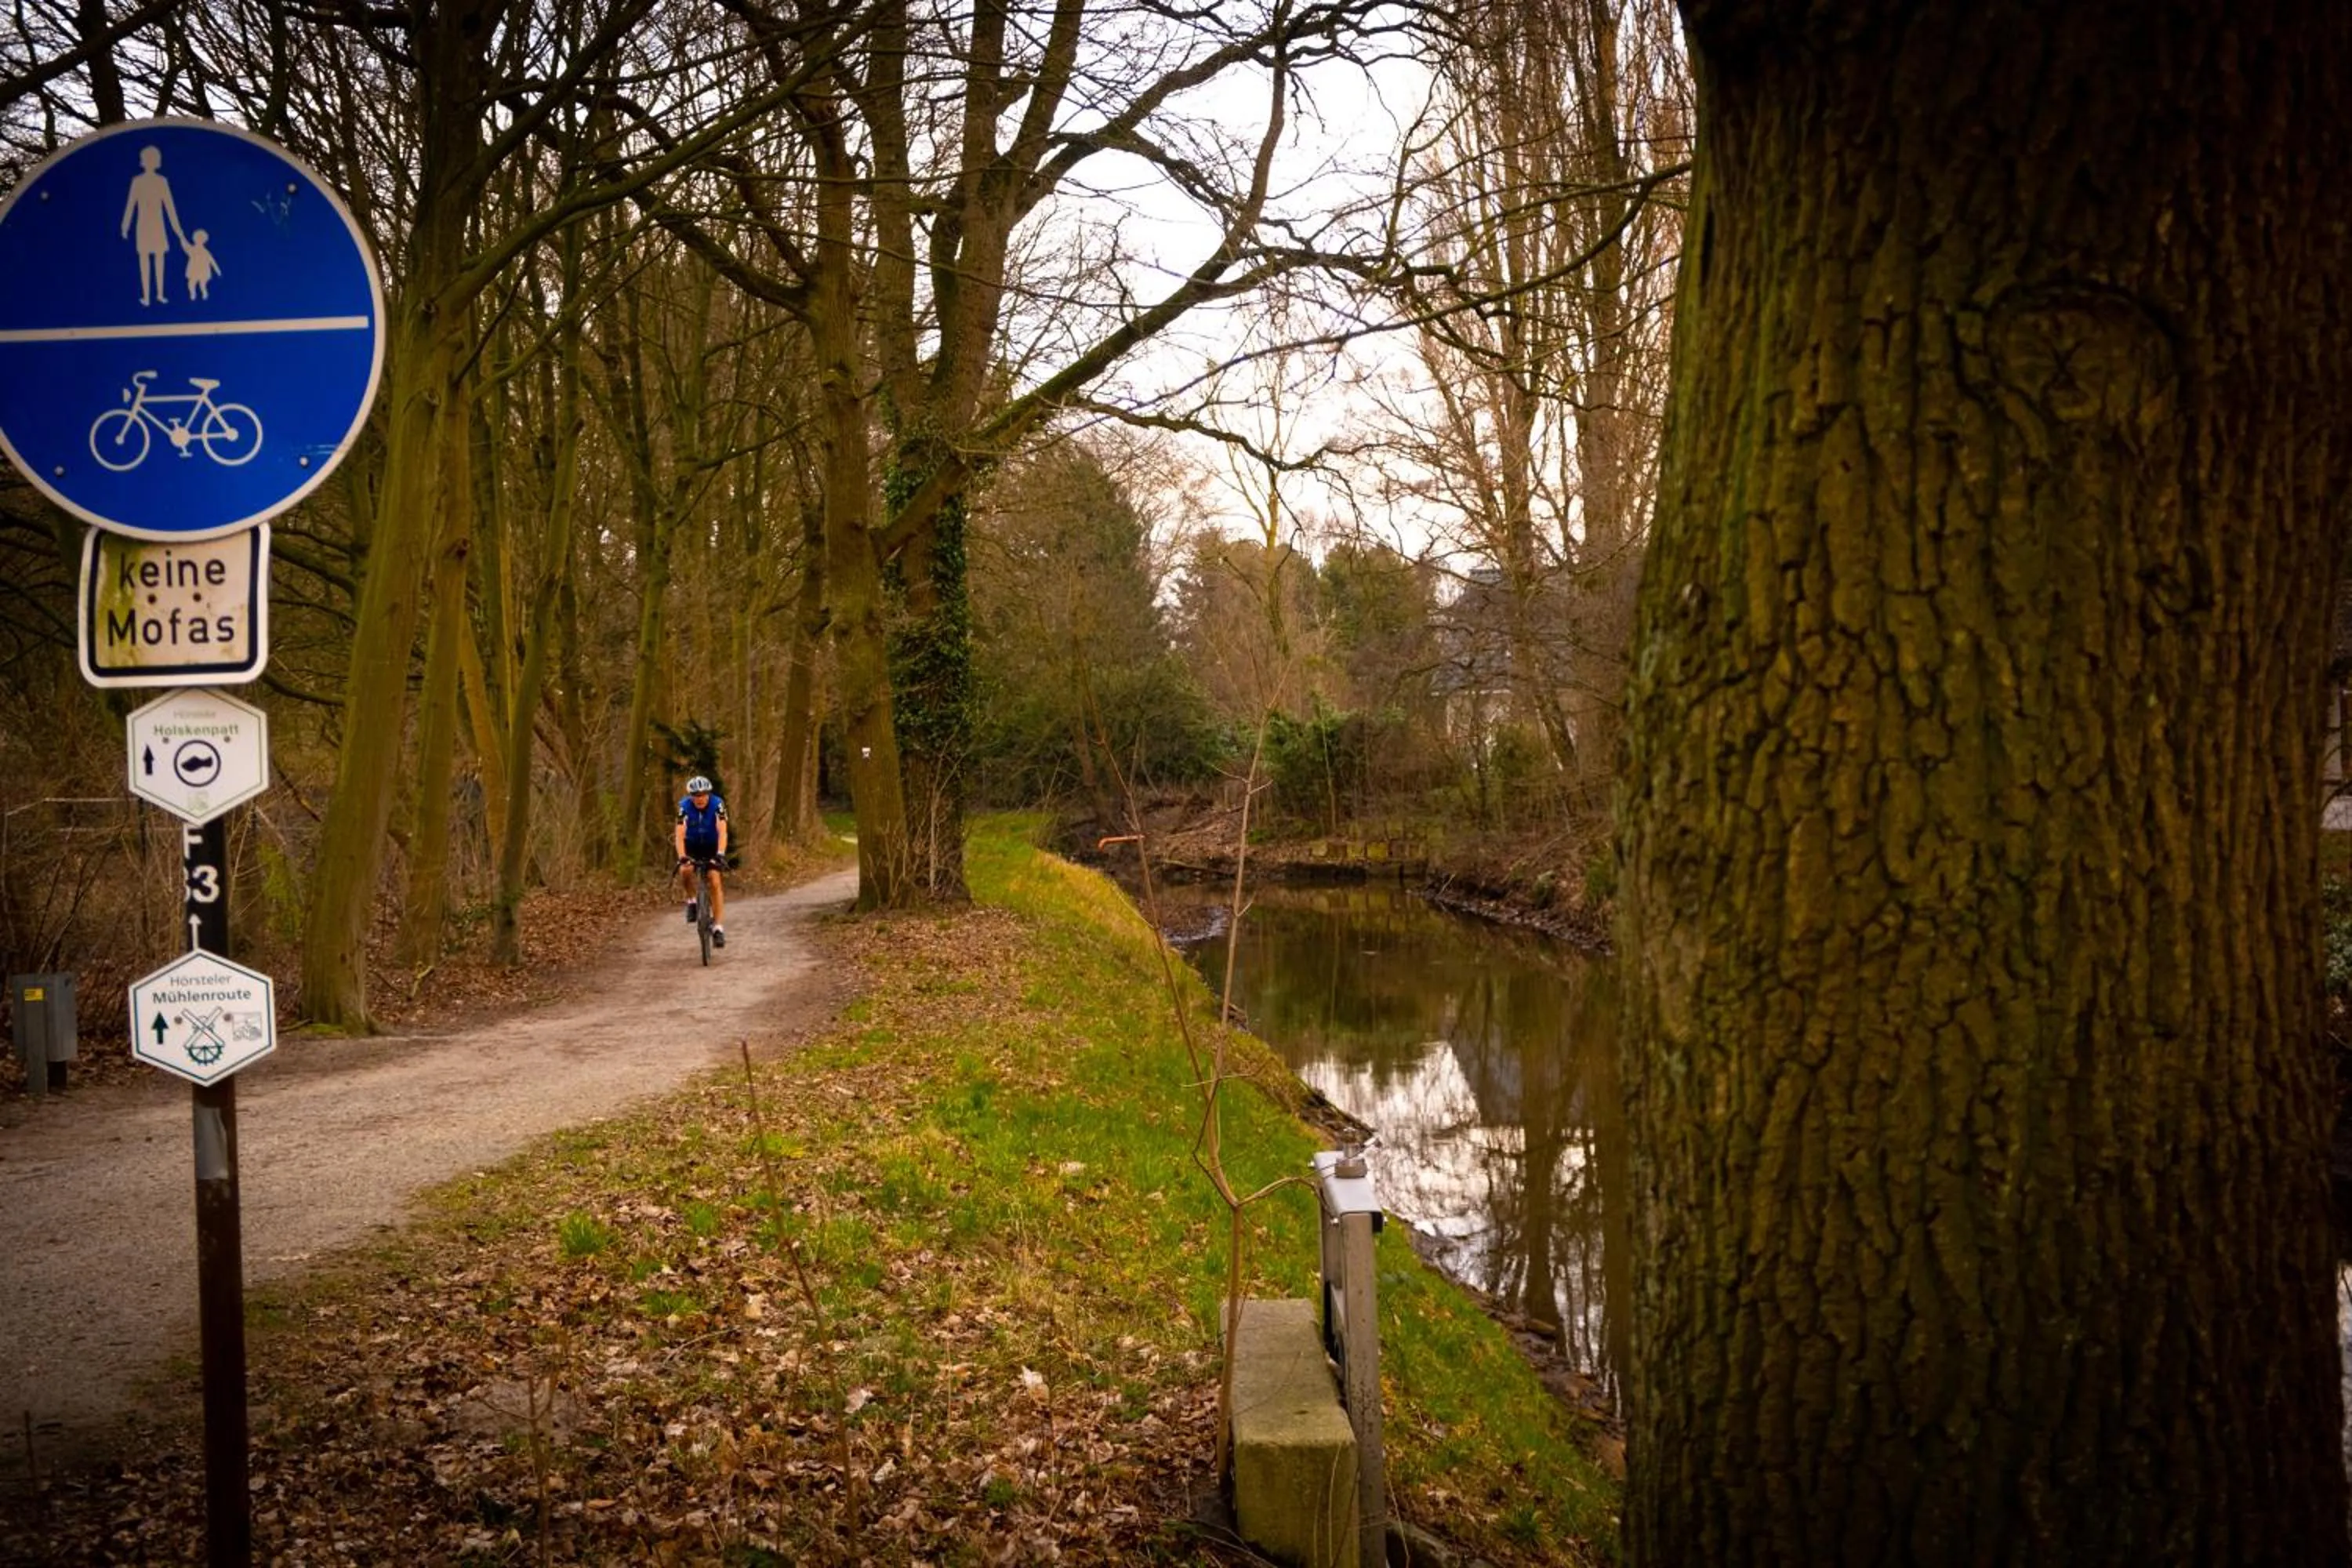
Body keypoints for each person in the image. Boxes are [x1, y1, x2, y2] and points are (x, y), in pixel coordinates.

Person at [674, 775, 729, 948]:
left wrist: (720, 853)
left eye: (703, 795)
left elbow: (722, 831)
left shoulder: (717, 804)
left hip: (712, 845)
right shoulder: (684, 807)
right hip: (692, 845)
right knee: (685, 871)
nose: (700, 799)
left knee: (714, 879)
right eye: (696, 796)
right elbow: (680, 834)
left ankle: (718, 928)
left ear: (709, 794)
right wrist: (682, 855)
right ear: (691, 797)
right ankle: (692, 901)